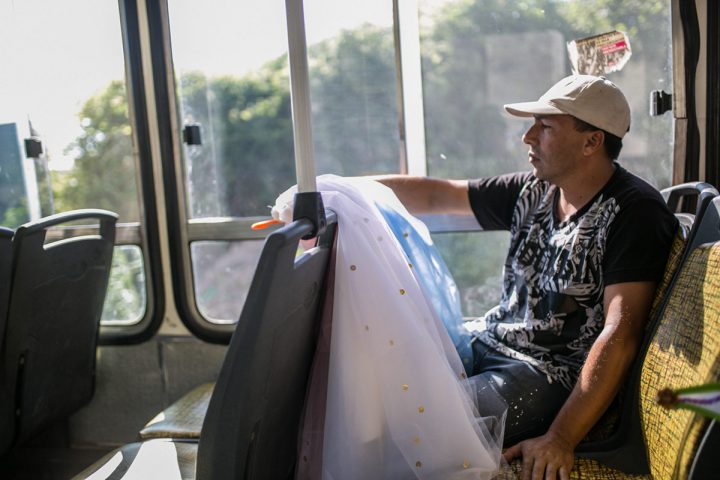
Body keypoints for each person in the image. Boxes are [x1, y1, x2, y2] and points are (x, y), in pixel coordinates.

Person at [376, 74, 678, 479]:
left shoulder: (635, 212)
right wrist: (337, 192)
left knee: (425, 424)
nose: (528, 137)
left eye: (545, 126)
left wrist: (561, 437)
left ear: (592, 142)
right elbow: (436, 195)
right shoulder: (533, 190)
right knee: (381, 383)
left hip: (548, 372)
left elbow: (620, 333)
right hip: (487, 338)